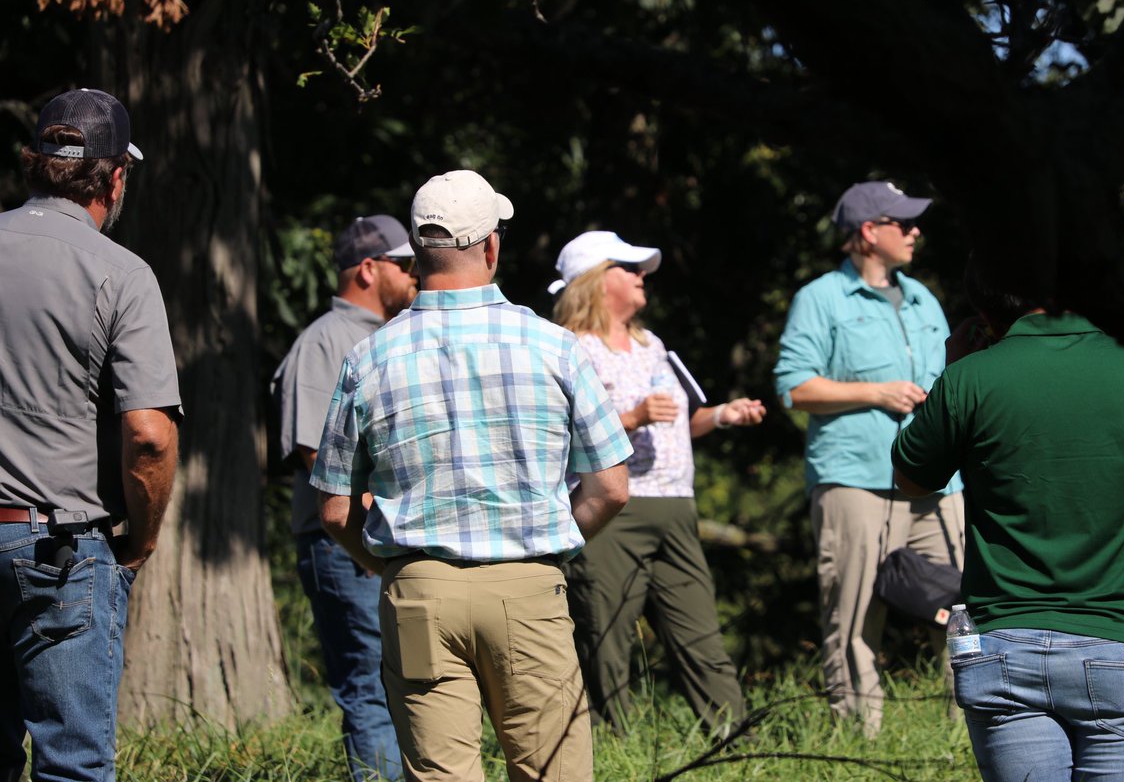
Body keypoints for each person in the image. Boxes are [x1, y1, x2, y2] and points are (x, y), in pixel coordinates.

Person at [311, 171, 632, 782]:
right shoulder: (554, 347)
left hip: (418, 591)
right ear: (490, 246)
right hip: (529, 584)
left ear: (416, 248)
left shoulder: (368, 356)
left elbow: (333, 509)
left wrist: (395, 566)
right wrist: (547, 539)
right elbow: (611, 487)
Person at [892, 255, 1124, 782]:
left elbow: (913, 477)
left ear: (985, 310)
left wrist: (955, 367)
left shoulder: (969, 378)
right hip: (1122, 648)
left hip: (1005, 651)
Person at [0, 88, 180, 781]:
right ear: (115, 177)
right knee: (72, 764)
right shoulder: (121, 274)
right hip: (62, 544)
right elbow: (150, 437)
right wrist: (144, 533)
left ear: (33, 162)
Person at [548, 230, 765, 738]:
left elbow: (678, 425)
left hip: (675, 507)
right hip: (610, 509)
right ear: (595, 281)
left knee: (700, 635)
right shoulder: (569, 349)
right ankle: (609, 748)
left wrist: (724, 417)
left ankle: (737, 742)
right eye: (629, 267)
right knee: (607, 638)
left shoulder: (653, 345)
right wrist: (632, 416)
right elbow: (561, 433)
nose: (642, 275)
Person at [772, 181, 964, 736]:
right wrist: (876, 393)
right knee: (854, 618)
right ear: (867, 232)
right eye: (901, 223)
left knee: (962, 616)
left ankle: (974, 735)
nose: (914, 231)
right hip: (856, 481)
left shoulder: (925, 297)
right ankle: (863, 744)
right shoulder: (821, 298)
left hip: (937, 486)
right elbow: (795, 388)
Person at [271, 214, 418, 781]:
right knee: (372, 685)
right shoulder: (325, 341)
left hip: (386, 540)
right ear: (368, 267)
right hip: (343, 544)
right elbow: (314, 451)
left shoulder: (389, 335)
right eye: (404, 266)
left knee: (404, 682)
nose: (414, 277)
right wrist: (362, 517)